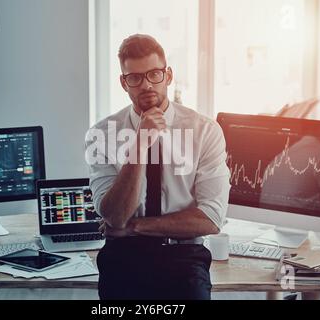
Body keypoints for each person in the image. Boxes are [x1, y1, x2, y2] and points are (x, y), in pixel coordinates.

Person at [85, 34, 231, 300]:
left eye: (154, 74)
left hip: (184, 256)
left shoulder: (205, 131)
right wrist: (140, 143)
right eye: (135, 78)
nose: (146, 85)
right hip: (123, 256)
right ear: (124, 83)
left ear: (169, 75)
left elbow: (211, 218)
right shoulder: (102, 134)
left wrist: (135, 227)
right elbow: (115, 217)